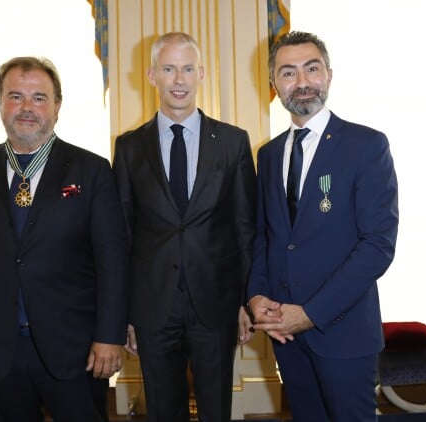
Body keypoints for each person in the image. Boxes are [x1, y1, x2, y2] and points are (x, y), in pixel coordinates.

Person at [0, 56, 128, 422]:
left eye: (39, 97)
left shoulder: (92, 170)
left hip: (75, 349)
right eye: (15, 96)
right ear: (1, 103)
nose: (26, 107)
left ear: (57, 106)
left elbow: (112, 262)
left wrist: (109, 336)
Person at [247, 31, 399, 421]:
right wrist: (256, 295)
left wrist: (312, 313)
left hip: (343, 332)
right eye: (288, 72)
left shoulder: (366, 145)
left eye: (311, 69)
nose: (301, 82)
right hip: (286, 334)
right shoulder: (268, 155)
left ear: (328, 75)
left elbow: (377, 246)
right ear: (273, 85)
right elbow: (265, 236)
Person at [112, 32, 256, 422]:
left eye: (188, 69)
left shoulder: (233, 142)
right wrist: (124, 313)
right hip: (152, 307)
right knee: (162, 410)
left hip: (217, 303)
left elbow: (245, 228)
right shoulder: (128, 148)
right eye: (170, 69)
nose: (179, 79)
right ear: (151, 74)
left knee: (216, 410)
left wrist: (247, 299)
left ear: (201, 74)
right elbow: (122, 234)